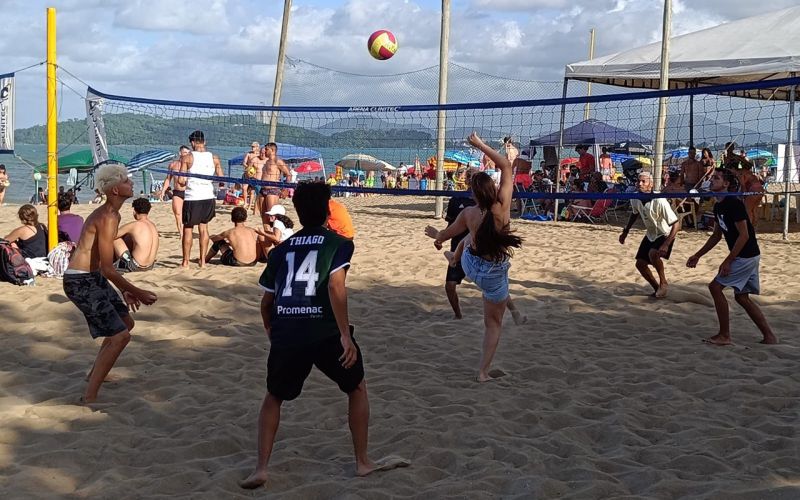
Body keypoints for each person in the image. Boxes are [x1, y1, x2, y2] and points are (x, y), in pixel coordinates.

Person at [240, 181, 408, 489]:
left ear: (298, 211)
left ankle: (261, 467)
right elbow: (335, 286)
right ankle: (362, 462)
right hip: (324, 330)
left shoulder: (281, 250)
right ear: (328, 210)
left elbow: (266, 303)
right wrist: (345, 335)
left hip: (288, 331)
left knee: (274, 396)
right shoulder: (338, 243)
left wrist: (271, 329)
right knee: (356, 387)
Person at [424, 132, 522, 383]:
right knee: (493, 324)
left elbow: (446, 233)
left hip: (471, 265)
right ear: (493, 189)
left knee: (467, 238)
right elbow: (505, 165)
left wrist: (437, 237)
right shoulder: (502, 205)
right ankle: (483, 372)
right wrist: (479, 144)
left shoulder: (468, 213)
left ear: (474, 195)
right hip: (492, 272)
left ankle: (453, 258)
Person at [62, 164, 157, 403]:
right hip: (79, 280)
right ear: (115, 190)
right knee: (120, 337)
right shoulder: (107, 217)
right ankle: (90, 397)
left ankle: (95, 374)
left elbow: (103, 268)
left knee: (126, 323)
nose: (131, 184)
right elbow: (108, 267)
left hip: (92, 277)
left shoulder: (113, 214)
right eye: (126, 181)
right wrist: (137, 291)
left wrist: (124, 290)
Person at [686, 168, 777, 346]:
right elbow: (716, 236)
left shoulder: (733, 204)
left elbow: (744, 235)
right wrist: (698, 255)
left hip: (746, 256)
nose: (712, 181)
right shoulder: (718, 205)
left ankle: (724, 335)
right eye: (712, 178)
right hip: (749, 255)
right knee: (741, 297)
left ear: (726, 184)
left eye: (716, 178)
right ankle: (769, 336)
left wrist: (728, 260)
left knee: (715, 287)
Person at [619, 172, 680, 298]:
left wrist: (666, 244)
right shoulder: (635, 197)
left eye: (643, 181)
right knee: (640, 264)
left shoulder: (659, 200)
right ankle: (657, 289)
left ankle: (663, 282)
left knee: (653, 253)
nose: (640, 184)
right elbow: (634, 213)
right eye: (638, 181)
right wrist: (625, 231)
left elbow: (676, 224)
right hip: (651, 233)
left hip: (665, 232)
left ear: (651, 184)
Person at [179, 130, 223, 268]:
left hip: (193, 197)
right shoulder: (214, 158)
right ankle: (203, 261)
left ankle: (185, 262)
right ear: (204, 141)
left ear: (192, 142)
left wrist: (188, 181)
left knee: (188, 229)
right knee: (204, 228)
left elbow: (180, 180)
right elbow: (222, 179)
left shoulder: (187, 158)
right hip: (208, 197)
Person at [442, 170, 476, 319]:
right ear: (466, 181)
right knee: (450, 285)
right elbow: (450, 227)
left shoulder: (488, 202)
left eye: (476, 178)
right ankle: (458, 315)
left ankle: (512, 311)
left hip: (479, 250)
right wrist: (440, 239)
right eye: (470, 177)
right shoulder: (456, 200)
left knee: (494, 286)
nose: (472, 181)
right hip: (458, 250)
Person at [113, 197, 159, 272]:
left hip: (136, 266)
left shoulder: (134, 225)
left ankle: (111, 262)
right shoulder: (153, 226)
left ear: (134, 211)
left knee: (116, 239)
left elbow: (112, 235)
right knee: (129, 237)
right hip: (150, 266)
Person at [159, 145, 191, 233]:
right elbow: (168, 179)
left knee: (189, 215)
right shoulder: (173, 165)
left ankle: (187, 232)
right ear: (180, 153)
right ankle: (181, 234)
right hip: (177, 192)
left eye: (188, 153)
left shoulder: (191, 166)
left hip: (188, 192)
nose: (187, 154)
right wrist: (163, 191)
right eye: (185, 152)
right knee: (177, 213)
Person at [259, 143, 290, 221]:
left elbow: (288, 174)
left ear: (272, 150)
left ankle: (276, 228)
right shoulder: (266, 161)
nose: (264, 151)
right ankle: (267, 229)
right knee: (264, 216)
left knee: (272, 216)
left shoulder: (278, 161)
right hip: (262, 189)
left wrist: (285, 189)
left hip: (273, 190)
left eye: (266, 149)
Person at [737, 162, 765, 228]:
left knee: (747, 209)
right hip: (760, 190)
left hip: (754, 190)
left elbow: (743, 185)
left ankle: (749, 226)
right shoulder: (752, 174)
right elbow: (761, 182)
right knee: (754, 209)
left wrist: (743, 194)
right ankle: (754, 226)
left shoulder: (742, 173)